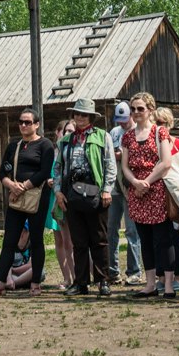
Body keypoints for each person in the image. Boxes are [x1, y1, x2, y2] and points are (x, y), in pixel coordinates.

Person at [118, 93, 179, 299]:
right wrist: (136, 183)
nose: (136, 113)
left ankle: (170, 284)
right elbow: (125, 166)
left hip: (157, 190)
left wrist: (148, 181)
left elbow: (166, 162)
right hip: (137, 192)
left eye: (140, 109)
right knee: (144, 239)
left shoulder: (160, 132)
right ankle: (150, 283)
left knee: (163, 239)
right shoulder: (127, 136)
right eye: (133, 109)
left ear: (150, 110)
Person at [55, 99, 117, 296]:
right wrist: (58, 191)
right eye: (77, 114)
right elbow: (58, 168)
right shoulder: (65, 141)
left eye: (84, 114)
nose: (80, 117)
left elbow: (110, 164)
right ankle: (81, 282)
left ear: (91, 117)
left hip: (96, 192)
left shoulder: (102, 136)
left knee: (99, 239)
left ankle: (103, 281)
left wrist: (107, 189)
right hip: (72, 193)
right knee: (78, 241)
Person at [0, 107, 54, 295]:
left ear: (37, 124)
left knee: (36, 240)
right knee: (9, 240)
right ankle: (0, 282)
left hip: (36, 197)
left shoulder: (45, 145)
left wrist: (24, 186)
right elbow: (2, 172)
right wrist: (11, 185)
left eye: (27, 122)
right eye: (21, 122)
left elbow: (44, 171)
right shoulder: (13, 146)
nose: (23, 125)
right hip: (16, 198)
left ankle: (35, 283)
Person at [105, 99, 143, 286]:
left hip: (130, 187)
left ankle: (134, 271)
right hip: (114, 188)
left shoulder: (137, 131)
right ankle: (113, 271)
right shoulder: (114, 132)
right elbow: (110, 155)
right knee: (111, 229)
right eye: (119, 119)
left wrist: (119, 154)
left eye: (124, 119)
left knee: (131, 230)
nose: (121, 123)